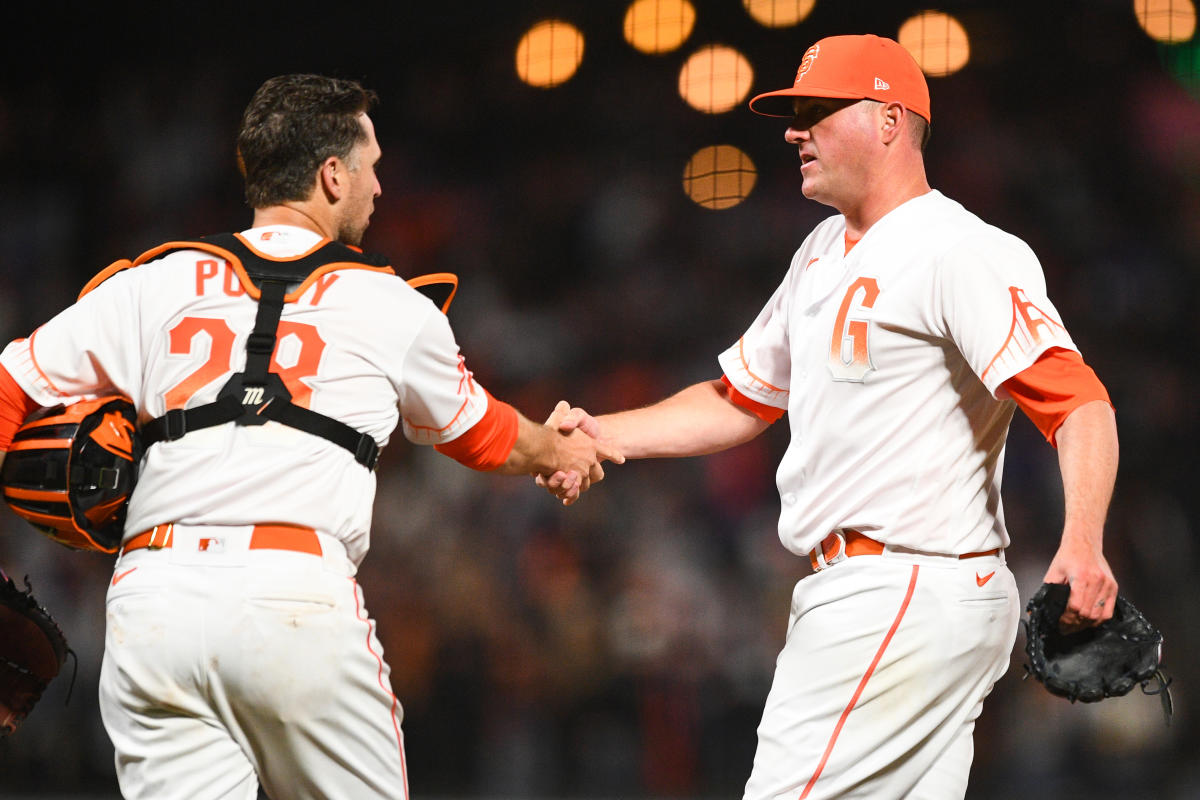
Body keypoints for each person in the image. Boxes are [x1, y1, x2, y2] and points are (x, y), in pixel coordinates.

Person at [0, 74, 618, 799]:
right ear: (332, 174)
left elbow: (9, 389)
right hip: (292, 597)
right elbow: (484, 436)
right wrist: (562, 449)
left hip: (154, 600)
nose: (380, 186)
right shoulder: (387, 301)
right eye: (371, 165)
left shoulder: (154, 283)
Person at [544, 34, 1119, 799]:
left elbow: (1078, 400)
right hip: (901, 594)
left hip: (899, 587)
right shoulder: (821, 250)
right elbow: (739, 398)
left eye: (817, 111)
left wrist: (1083, 542)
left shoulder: (957, 249)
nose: (793, 130)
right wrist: (604, 434)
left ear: (888, 120)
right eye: (794, 113)